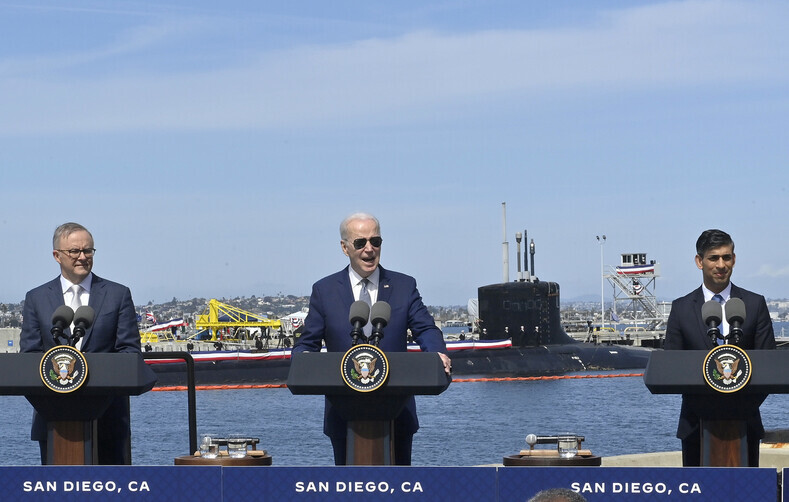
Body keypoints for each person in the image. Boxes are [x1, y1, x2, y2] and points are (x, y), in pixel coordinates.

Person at [292, 212, 451, 465]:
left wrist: (437, 353)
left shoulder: (403, 285)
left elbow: (426, 329)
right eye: (360, 243)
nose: (369, 249)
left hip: (397, 413)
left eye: (375, 241)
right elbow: (307, 342)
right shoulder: (325, 290)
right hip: (343, 415)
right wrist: (302, 361)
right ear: (344, 248)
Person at [20, 222, 141, 464]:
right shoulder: (36, 298)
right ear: (57, 255)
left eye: (88, 251)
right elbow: (29, 358)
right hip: (53, 423)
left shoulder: (117, 295)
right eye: (74, 251)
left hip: (108, 423)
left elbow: (130, 354)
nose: (82, 257)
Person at [664, 229, 775, 466]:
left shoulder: (755, 304)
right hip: (695, 426)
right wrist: (709, 409)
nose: (721, 264)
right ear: (699, 261)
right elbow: (670, 367)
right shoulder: (681, 309)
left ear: (734, 259)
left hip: (746, 425)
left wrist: (736, 411)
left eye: (727, 257)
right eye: (714, 258)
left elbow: (769, 366)